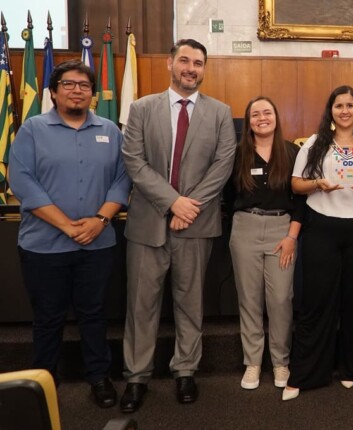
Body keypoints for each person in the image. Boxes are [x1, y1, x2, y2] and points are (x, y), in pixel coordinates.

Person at [120, 39, 236, 412]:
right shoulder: (141, 108)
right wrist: (173, 202)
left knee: (190, 303)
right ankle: (136, 377)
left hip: (196, 226)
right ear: (170, 63)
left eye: (198, 63)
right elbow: (134, 162)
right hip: (147, 225)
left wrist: (188, 208)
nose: (191, 68)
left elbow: (222, 166)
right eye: (184, 60)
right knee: (141, 305)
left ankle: (185, 369)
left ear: (204, 69)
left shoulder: (220, 113)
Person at [8, 60, 131, 408]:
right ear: (53, 91)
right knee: (48, 318)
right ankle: (43, 384)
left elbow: (123, 179)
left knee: (93, 314)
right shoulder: (33, 129)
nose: (77, 90)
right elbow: (22, 182)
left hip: (97, 243)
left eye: (84, 85)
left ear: (93, 94)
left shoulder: (110, 130)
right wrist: (65, 225)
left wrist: (100, 220)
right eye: (68, 84)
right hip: (43, 246)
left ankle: (99, 378)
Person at [282, 85, 353, 401]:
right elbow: (297, 185)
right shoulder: (314, 144)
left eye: (350, 105)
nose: (344, 110)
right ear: (331, 110)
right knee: (316, 302)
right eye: (338, 105)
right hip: (322, 227)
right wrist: (318, 184)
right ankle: (307, 373)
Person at [229, 96, 303, 390]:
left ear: (276, 117)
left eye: (267, 112)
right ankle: (253, 363)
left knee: (281, 300)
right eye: (255, 114)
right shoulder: (237, 154)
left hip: (282, 231)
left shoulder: (292, 152)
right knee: (249, 299)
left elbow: (302, 200)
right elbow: (226, 195)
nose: (262, 118)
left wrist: (291, 237)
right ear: (248, 121)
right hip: (245, 227)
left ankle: (280, 361)